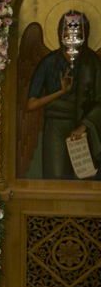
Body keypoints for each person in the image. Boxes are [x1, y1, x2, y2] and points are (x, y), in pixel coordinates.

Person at [24, 11, 101, 179]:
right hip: (56, 127)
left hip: (83, 126)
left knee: (84, 179)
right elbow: (31, 104)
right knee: (56, 177)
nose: (71, 34)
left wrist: (84, 125)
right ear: (60, 32)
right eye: (67, 29)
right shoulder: (48, 62)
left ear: (84, 33)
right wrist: (61, 92)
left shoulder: (92, 62)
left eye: (77, 30)